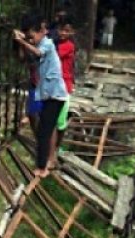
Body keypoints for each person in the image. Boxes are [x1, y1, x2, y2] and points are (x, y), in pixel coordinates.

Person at [13, 13, 68, 178]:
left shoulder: (48, 44)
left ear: (42, 30)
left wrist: (22, 41)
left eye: (32, 35)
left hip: (54, 94)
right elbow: (24, 57)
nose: (31, 39)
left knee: (46, 129)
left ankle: (44, 163)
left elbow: (37, 53)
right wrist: (20, 41)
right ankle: (43, 159)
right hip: (42, 92)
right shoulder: (35, 43)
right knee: (40, 125)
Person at [50, 16, 75, 168]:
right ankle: (52, 152)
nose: (62, 33)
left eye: (66, 31)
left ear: (72, 32)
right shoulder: (57, 43)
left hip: (64, 86)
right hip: (55, 84)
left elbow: (53, 55)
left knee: (60, 122)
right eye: (60, 30)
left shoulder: (68, 46)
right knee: (54, 120)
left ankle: (56, 149)